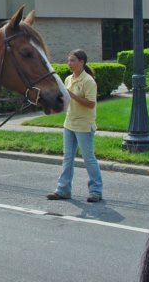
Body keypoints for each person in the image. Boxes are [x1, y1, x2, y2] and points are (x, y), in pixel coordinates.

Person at [46, 49, 103, 203]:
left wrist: (71, 95)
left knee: (88, 158)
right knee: (67, 158)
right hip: (69, 124)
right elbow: (66, 101)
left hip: (84, 125)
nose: (69, 64)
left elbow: (91, 104)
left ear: (81, 62)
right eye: (68, 60)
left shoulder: (88, 81)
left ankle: (96, 191)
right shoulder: (68, 79)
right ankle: (63, 190)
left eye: (72, 60)